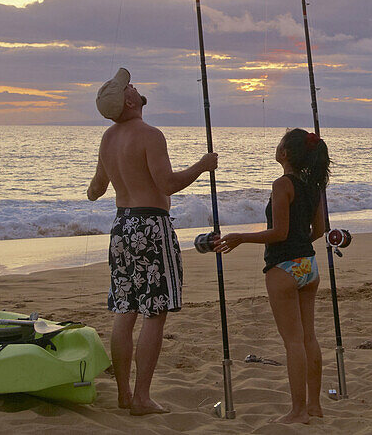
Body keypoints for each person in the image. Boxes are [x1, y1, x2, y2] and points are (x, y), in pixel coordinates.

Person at [87, 67, 217, 415]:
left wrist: (103, 184)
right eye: (128, 85)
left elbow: (96, 189)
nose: (133, 85)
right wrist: (203, 166)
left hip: (121, 227)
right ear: (128, 100)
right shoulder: (150, 135)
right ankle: (142, 397)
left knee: (124, 309)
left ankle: (124, 394)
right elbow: (167, 184)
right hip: (151, 227)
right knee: (154, 312)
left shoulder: (108, 139)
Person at [213, 128, 328, 424]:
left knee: (292, 341)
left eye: (279, 144)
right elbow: (320, 230)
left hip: (284, 268)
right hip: (309, 266)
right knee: (309, 337)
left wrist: (240, 236)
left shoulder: (282, 185)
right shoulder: (315, 185)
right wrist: (300, 247)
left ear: (285, 153)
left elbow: (279, 233)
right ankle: (314, 406)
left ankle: (298, 411)